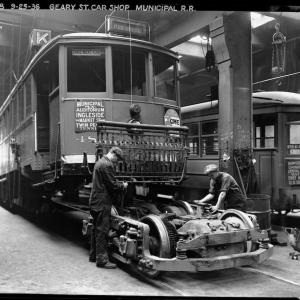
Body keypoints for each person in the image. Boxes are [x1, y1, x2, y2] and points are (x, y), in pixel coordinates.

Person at [89, 146, 128, 268]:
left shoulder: (99, 162)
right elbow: (112, 185)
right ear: (114, 154)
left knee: (96, 229)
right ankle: (102, 260)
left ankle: (93, 255)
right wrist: (123, 185)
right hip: (102, 202)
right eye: (117, 159)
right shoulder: (107, 165)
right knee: (102, 230)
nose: (116, 162)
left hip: (95, 201)